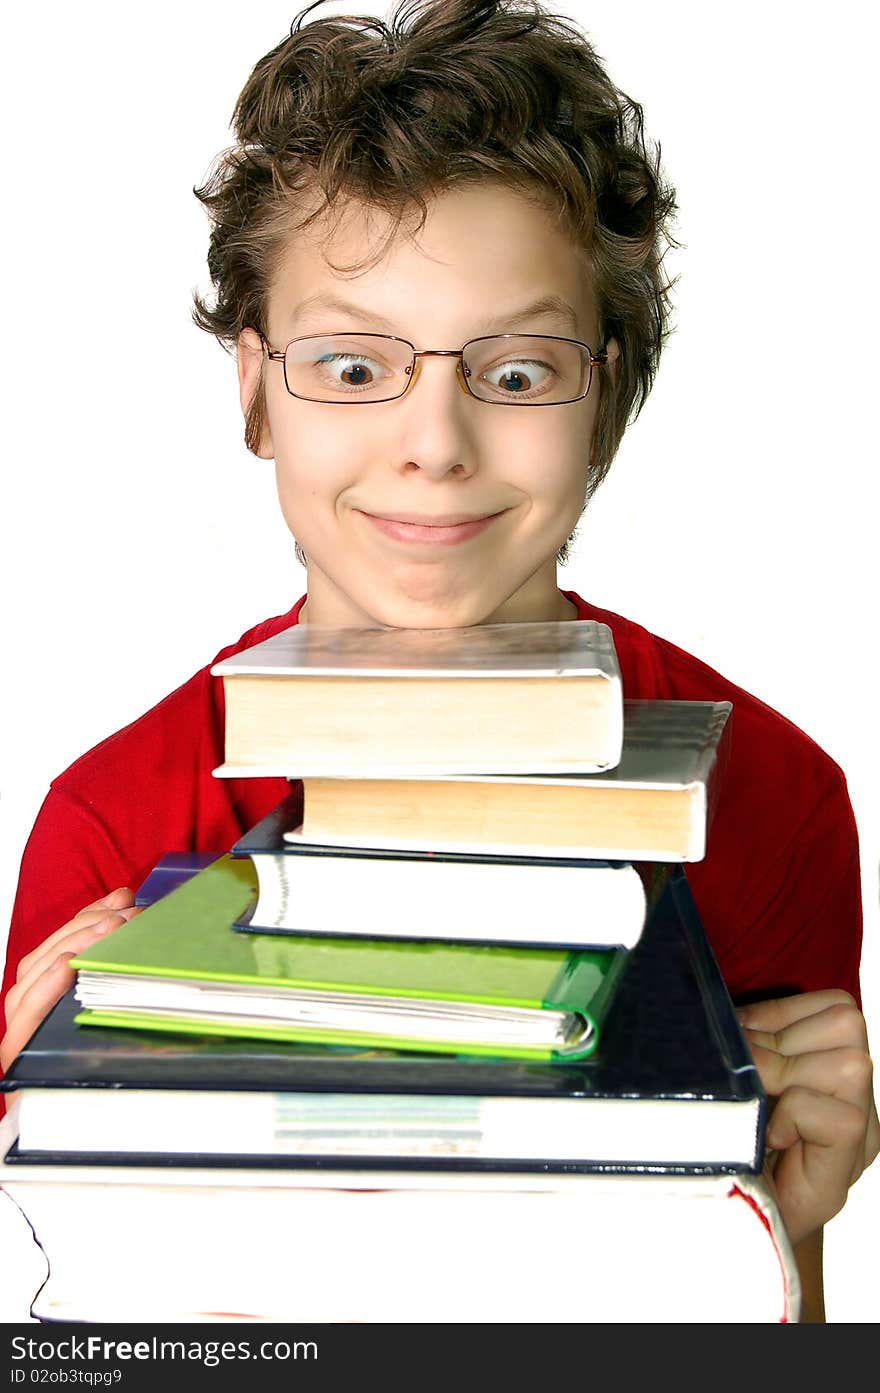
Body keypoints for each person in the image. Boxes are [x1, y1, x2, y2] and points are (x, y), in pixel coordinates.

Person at [1, 0, 876, 1321]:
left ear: (606, 395)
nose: (436, 443)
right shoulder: (113, 817)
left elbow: (761, 1315)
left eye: (517, 374)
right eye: (351, 363)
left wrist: (785, 1226)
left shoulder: (769, 791)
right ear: (252, 389)